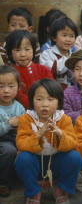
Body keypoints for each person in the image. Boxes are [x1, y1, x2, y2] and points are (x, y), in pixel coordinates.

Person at [14, 78, 82, 204]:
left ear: (58, 102)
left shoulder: (63, 118)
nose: (44, 104)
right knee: (22, 158)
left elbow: (73, 143)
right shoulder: (26, 118)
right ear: (32, 101)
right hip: (35, 163)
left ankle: (61, 191)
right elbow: (21, 143)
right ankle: (33, 192)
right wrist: (39, 134)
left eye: (50, 99)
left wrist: (60, 133)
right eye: (39, 99)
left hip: (56, 162)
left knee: (75, 157)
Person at [5, 29, 53, 109]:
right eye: (17, 50)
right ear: (10, 53)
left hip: (45, 108)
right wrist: (35, 105)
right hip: (22, 110)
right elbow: (18, 95)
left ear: (33, 50)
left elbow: (52, 89)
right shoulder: (10, 74)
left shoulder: (44, 70)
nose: (23, 54)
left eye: (27, 49)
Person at [0, 65, 25, 197]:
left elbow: (25, 128)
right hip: (2, 142)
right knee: (9, 151)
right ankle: (3, 183)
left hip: (16, 139)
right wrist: (9, 124)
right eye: (1, 86)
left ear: (18, 87)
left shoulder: (19, 107)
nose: (6, 91)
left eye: (11, 86)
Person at [40, 16, 78, 89]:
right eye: (64, 35)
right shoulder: (46, 54)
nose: (68, 39)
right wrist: (68, 60)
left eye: (72, 36)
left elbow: (75, 79)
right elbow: (52, 70)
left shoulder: (72, 55)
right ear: (54, 37)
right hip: (51, 91)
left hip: (69, 93)